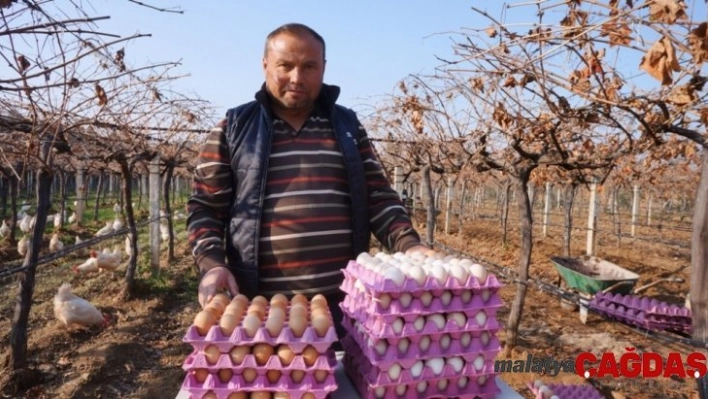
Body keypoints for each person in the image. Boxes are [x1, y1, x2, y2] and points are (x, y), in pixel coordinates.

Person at [187, 23, 427, 338]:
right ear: (265, 65)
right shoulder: (234, 128)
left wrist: (410, 245)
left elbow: (378, 197)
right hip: (259, 310)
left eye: (309, 66)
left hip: (343, 305)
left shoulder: (348, 127)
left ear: (324, 68)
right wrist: (211, 262)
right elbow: (205, 206)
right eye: (285, 66)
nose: (297, 78)